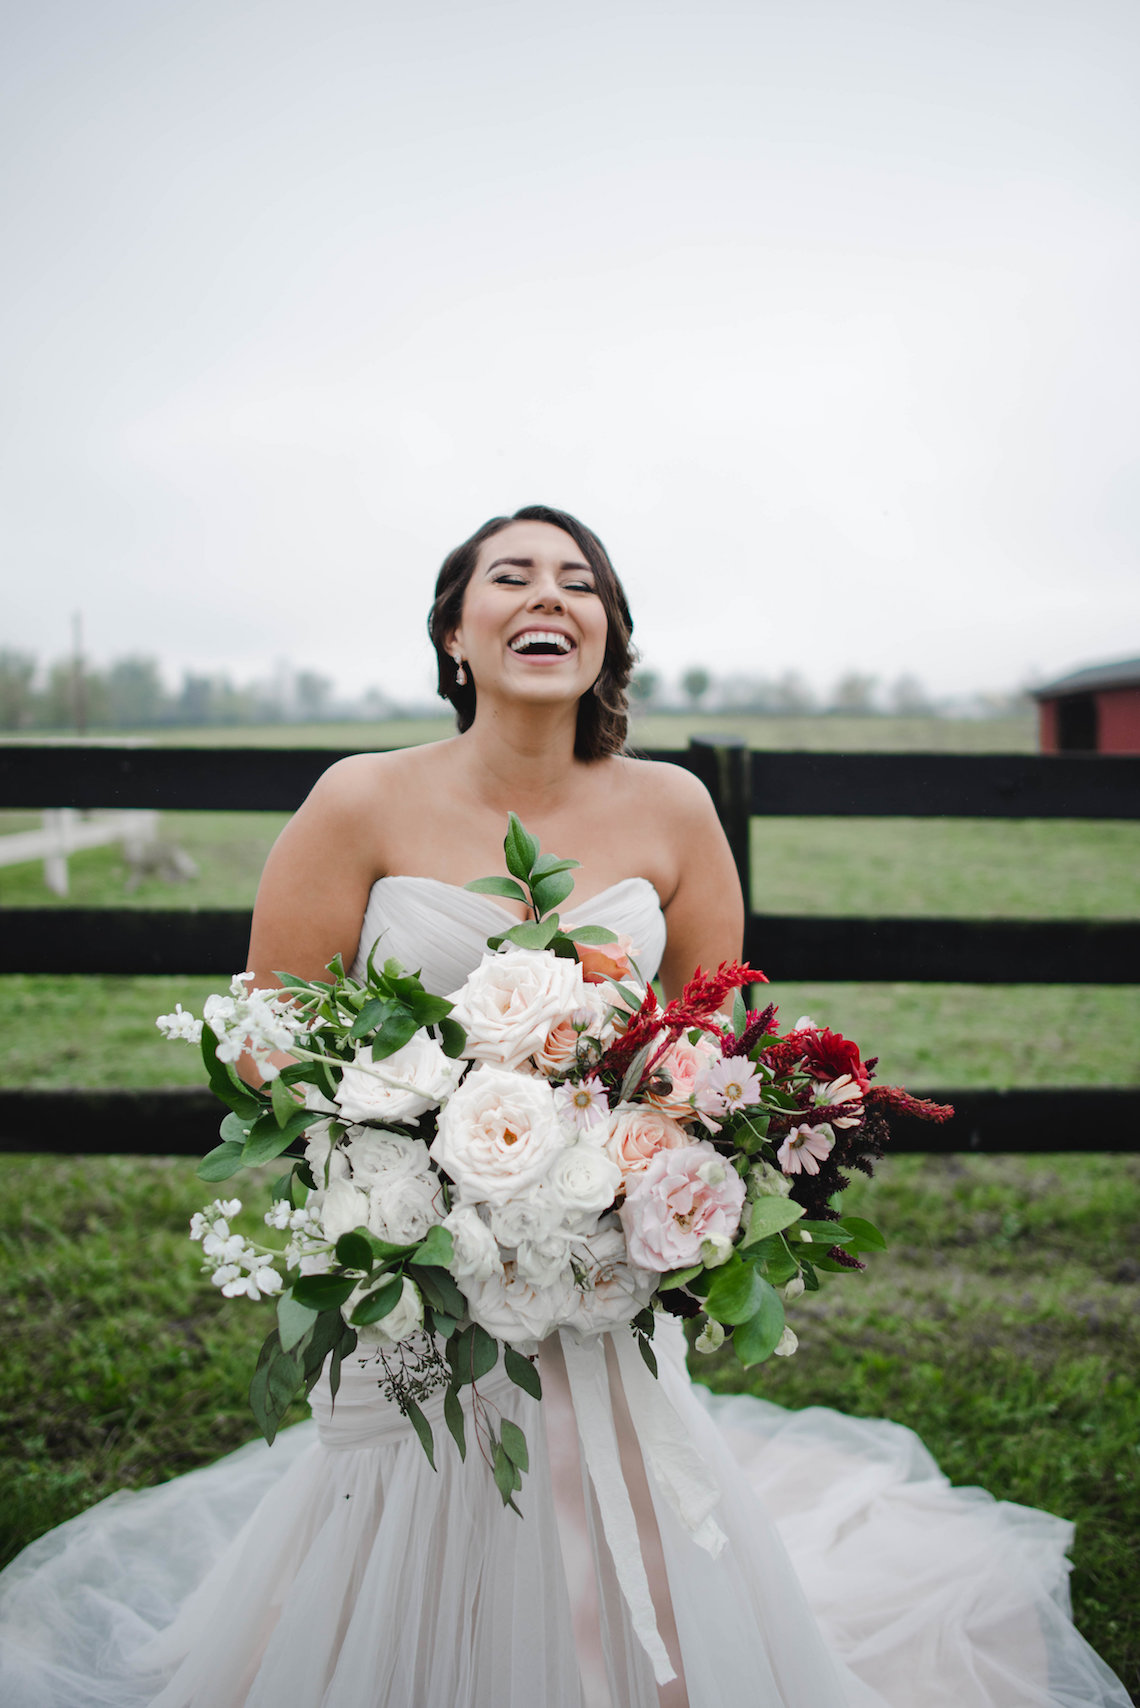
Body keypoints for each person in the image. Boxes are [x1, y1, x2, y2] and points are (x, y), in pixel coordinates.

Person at [0, 506, 1130, 1708]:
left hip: (601, 1261)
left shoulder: (676, 810)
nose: (548, 596)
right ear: (455, 632)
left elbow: (712, 1046)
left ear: (607, 633)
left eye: (578, 581)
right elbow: (272, 1040)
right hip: (419, 1261)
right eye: (512, 576)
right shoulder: (358, 801)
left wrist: (650, 1176)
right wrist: (413, 1177)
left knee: (615, 1504)